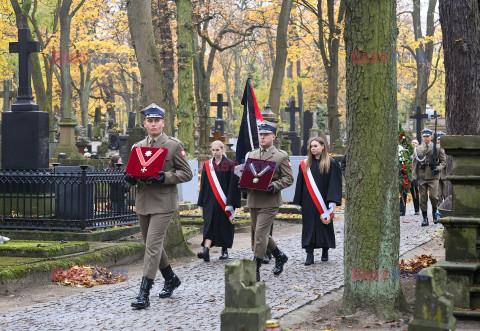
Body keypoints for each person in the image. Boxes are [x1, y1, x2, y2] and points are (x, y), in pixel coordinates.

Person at [124, 103, 193, 309]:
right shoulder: (137, 147)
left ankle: (143, 294)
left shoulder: (173, 145)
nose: (153, 124)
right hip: (144, 201)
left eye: (157, 121)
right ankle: (170, 278)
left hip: (164, 202)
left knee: (152, 247)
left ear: (163, 123)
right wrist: (130, 178)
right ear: (145, 124)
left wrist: (166, 176)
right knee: (152, 245)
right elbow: (134, 173)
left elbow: (187, 174)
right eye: (149, 121)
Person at [240, 121, 294, 282]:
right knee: (261, 234)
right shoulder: (252, 154)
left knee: (260, 235)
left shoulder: (280, 156)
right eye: (260, 134)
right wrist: (243, 183)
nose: (262, 137)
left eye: (265, 135)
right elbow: (249, 175)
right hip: (254, 200)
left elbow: (289, 178)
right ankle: (280, 256)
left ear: (273, 136)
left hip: (270, 201)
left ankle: (255, 268)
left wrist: (274, 186)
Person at [293, 137, 342, 265]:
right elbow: (300, 183)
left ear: (323, 146)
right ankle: (309, 254)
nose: (312, 148)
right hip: (308, 201)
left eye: (315, 146)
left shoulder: (331, 163)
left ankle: (325, 250)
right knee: (309, 227)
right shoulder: (305, 164)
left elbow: (335, 182)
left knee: (324, 225)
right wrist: (298, 200)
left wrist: (333, 200)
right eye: (311, 146)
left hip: (324, 201)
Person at [196, 140, 240, 261]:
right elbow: (203, 184)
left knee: (224, 225)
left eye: (217, 150)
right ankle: (206, 251)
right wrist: (200, 202)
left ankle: (224, 250)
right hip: (209, 200)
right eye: (213, 150)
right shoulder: (207, 165)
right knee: (208, 225)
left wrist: (231, 203)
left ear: (222, 150)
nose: (215, 152)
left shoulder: (230, 165)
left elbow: (233, 186)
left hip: (225, 201)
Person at [412, 128, 446, 226]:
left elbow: (443, 161)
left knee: (434, 197)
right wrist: (414, 177)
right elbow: (414, 164)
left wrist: (438, 168)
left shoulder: (437, 147)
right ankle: (425, 218)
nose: (426, 138)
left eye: (428, 136)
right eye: (424, 136)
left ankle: (435, 214)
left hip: (433, 176)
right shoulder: (417, 149)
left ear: (431, 137)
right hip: (422, 176)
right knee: (423, 198)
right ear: (422, 137)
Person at [436, 132, 447, 204]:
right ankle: (439, 211)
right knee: (438, 195)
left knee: (446, 194)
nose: (439, 141)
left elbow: (446, 161)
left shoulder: (447, 149)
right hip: (436, 175)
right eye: (438, 139)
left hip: (446, 174)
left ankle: (447, 211)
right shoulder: (435, 149)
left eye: (441, 139)